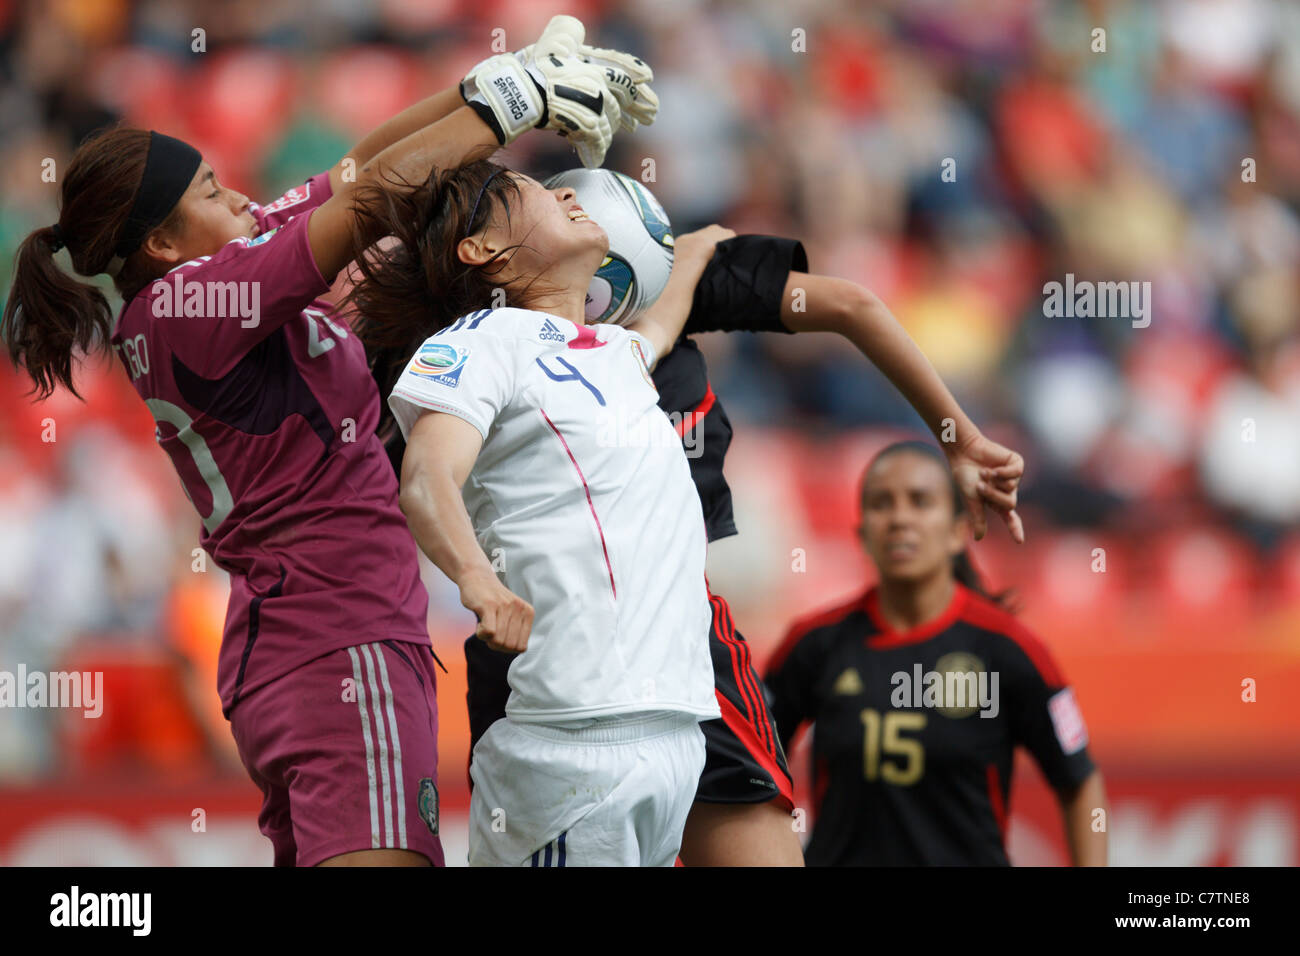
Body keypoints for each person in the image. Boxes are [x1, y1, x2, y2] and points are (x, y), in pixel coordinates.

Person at [3, 16, 651, 866]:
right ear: (161, 245)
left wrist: (496, 82)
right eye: (207, 191)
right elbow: (370, 200)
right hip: (340, 642)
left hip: (298, 653)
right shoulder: (188, 306)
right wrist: (514, 105)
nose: (237, 195)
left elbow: (359, 166)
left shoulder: (198, 287)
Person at [427, 169, 1030, 866]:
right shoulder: (475, 340)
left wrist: (960, 438)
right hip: (543, 664)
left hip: (684, 650)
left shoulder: (658, 287)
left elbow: (854, 306)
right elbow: (423, 475)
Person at [346, 156, 734, 866]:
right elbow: (427, 472)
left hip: (676, 731)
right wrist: (477, 579)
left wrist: (702, 245)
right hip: (572, 745)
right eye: (535, 192)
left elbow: (665, 315)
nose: (567, 192)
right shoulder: (477, 344)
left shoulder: (615, 349)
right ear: (483, 251)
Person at [765, 441, 1108, 865]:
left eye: (920, 501)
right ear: (861, 534)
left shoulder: (1007, 649)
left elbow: (1078, 780)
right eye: (881, 504)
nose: (900, 518)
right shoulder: (813, 644)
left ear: (957, 532)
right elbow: (750, 766)